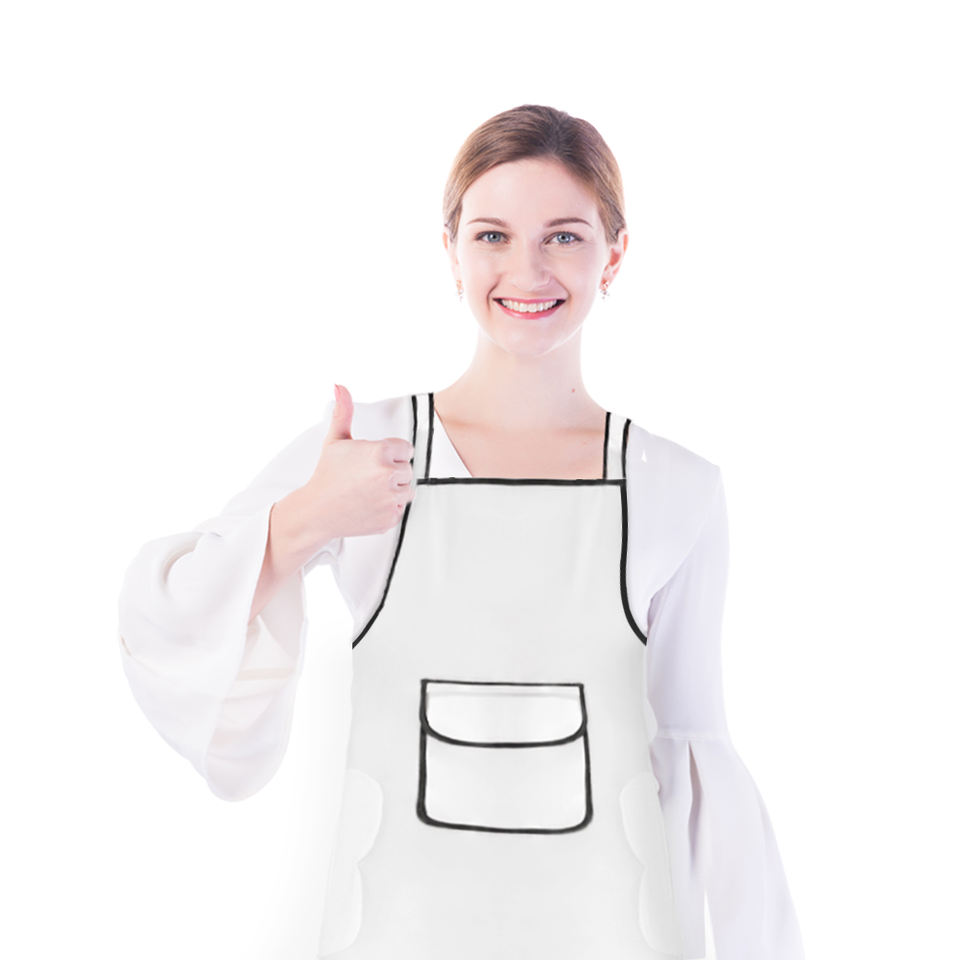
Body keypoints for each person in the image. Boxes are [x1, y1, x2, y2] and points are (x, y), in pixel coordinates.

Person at [118, 103, 805, 960]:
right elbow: (165, 617)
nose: (526, 269)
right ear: (450, 251)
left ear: (614, 253)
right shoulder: (365, 450)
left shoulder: (677, 489)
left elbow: (694, 757)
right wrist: (307, 519)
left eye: (563, 237)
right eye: (491, 236)